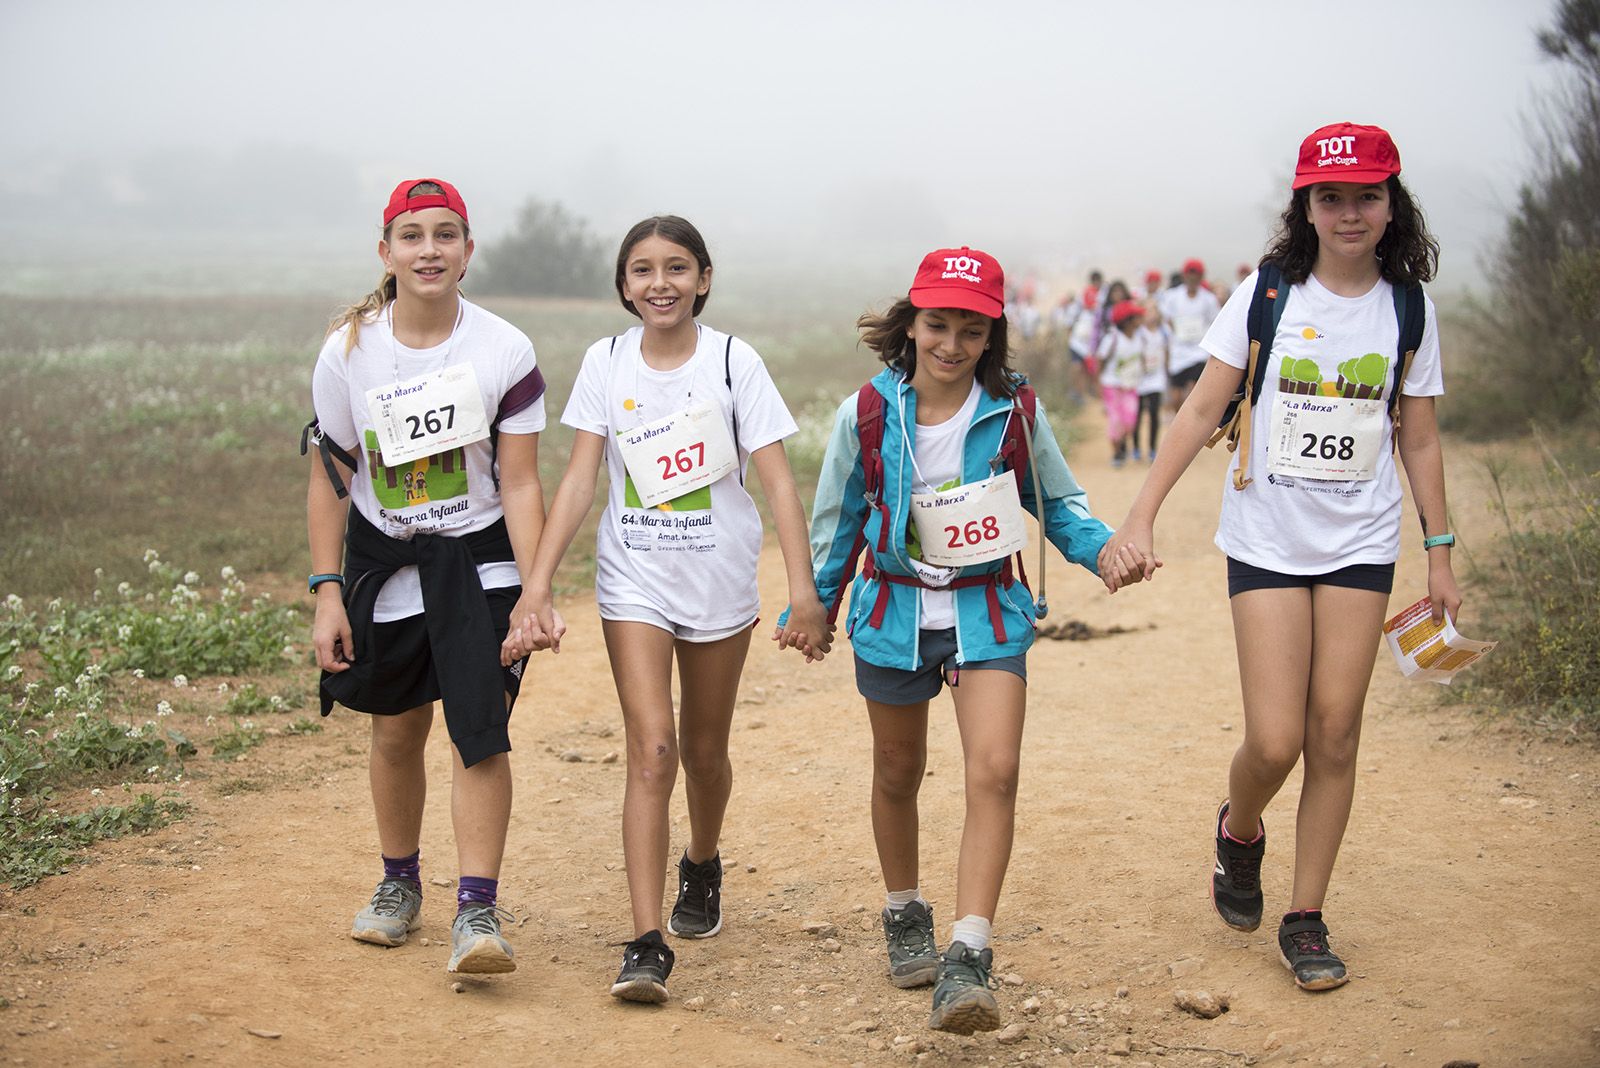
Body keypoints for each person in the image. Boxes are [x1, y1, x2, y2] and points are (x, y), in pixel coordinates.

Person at [1099, 122, 1461, 991]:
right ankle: (1241, 829)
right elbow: (1196, 411)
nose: (1349, 212)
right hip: (1266, 538)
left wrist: (1440, 552)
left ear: (1391, 203)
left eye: (1366, 195)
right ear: (1305, 205)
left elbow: (1417, 436)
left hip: (1362, 543)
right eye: (1330, 196)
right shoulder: (1268, 294)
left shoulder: (1408, 306)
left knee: (1335, 731)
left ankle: (1305, 916)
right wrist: (1140, 517)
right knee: (1275, 737)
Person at [793, 246, 1126, 1034]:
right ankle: (903, 906)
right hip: (894, 617)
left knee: (997, 770)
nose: (950, 344)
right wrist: (813, 607)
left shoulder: (1014, 414)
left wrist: (1104, 550)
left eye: (970, 331)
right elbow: (838, 521)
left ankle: (969, 952)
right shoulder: (866, 415)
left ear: (991, 337)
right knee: (898, 769)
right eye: (936, 325)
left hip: (987, 613)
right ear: (910, 326)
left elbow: (1059, 501)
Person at [503, 215, 831, 1004]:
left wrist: (804, 590)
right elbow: (582, 479)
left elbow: (779, 481)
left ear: (704, 278)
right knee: (652, 748)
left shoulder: (732, 361)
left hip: (719, 580)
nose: (660, 283)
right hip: (634, 580)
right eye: (643, 269)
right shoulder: (605, 361)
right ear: (623, 285)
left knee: (704, 755)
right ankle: (645, 941)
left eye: (677, 268)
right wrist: (537, 585)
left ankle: (704, 862)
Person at [306, 178, 548, 975]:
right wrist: (326, 592)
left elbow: (517, 482)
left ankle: (476, 910)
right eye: (413, 236)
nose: (430, 250)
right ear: (386, 252)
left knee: (479, 731)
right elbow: (329, 481)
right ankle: (397, 885)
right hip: (386, 561)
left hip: (479, 561)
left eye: (446, 235)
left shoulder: (503, 349)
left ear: (469, 252)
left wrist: (535, 592)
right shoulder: (348, 350)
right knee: (396, 727)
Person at [1096, 298, 1155, 467]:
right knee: (1115, 421)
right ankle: (1117, 453)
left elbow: (1143, 358)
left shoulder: (1140, 337)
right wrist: (1098, 384)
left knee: (1130, 421)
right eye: (1136, 317)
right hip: (1112, 385)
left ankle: (1121, 446)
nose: (1140, 320)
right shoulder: (1112, 338)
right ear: (1127, 320)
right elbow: (1100, 359)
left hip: (1131, 386)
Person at [1159, 258, 1222, 409]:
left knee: (1193, 392)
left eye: (1196, 275)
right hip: (1178, 352)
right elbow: (1165, 318)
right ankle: (1178, 421)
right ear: (1184, 276)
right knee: (1176, 396)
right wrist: (1175, 330)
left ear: (1201, 277)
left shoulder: (1209, 299)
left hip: (1199, 353)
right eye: (1190, 274)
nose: (1192, 278)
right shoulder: (1172, 297)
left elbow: (1215, 322)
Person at [1134, 301, 1169, 461]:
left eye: (1153, 311)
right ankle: (1135, 446)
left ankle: (1153, 448)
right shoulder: (1138, 332)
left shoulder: (1164, 332)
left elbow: (1168, 351)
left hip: (1157, 377)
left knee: (1154, 413)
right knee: (1137, 413)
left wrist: (1168, 371)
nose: (1150, 314)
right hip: (1139, 378)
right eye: (1147, 311)